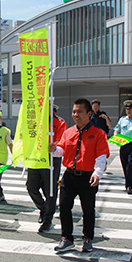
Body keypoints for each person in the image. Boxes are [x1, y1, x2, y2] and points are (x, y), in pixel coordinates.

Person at [51, 98, 110, 253]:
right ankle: (67, 238)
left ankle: (88, 238)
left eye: (79, 111)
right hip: (69, 175)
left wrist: (97, 174)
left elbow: (101, 157)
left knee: (88, 210)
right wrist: (53, 149)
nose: (75, 114)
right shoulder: (68, 132)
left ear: (89, 113)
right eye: (74, 111)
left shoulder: (98, 134)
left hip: (87, 177)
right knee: (64, 207)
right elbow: (61, 151)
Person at [26, 104, 67, 233]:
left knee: (50, 189)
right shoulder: (34, 120)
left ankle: (47, 219)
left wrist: (53, 147)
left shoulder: (59, 122)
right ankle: (43, 208)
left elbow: (61, 141)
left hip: (51, 159)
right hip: (36, 158)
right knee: (31, 187)